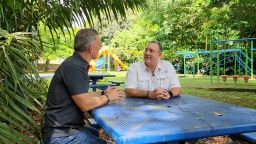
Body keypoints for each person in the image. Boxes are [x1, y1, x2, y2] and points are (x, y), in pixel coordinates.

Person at [41, 28, 123, 144]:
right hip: (61, 135)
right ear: (91, 48)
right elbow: (85, 104)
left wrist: (103, 93)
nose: (100, 47)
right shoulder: (74, 66)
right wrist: (108, 98)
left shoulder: (75, 63)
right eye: (99, 44)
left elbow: (81, 96)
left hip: (64, 128)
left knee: (95, 132)